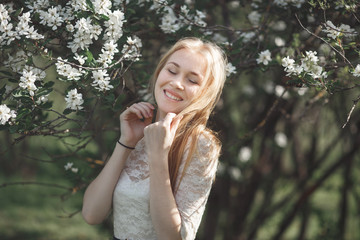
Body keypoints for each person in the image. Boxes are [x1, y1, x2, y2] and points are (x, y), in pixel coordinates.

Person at [82, 37, 227, 240]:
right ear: (159, 72)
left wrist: (159, 156)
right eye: (172, 71)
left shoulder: (201, 146)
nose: (177, 83)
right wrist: (126, 142)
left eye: (192, 80)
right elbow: (91, 214)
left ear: (205, 92)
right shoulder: (142, 132)